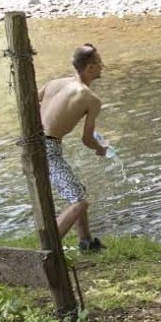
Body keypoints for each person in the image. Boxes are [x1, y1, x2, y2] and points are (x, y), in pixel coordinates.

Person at [38, 43, 111, 251]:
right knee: (80, 201)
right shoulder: (90, 98)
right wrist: (101, 148)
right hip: (49, 149)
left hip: (33, 144)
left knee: (77, 191)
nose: (102, 67)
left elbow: (34, 101)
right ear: (90, 68)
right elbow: (87, 139)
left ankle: (87, 243)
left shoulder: (55, 83)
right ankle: (48, 251)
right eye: (99, 63)